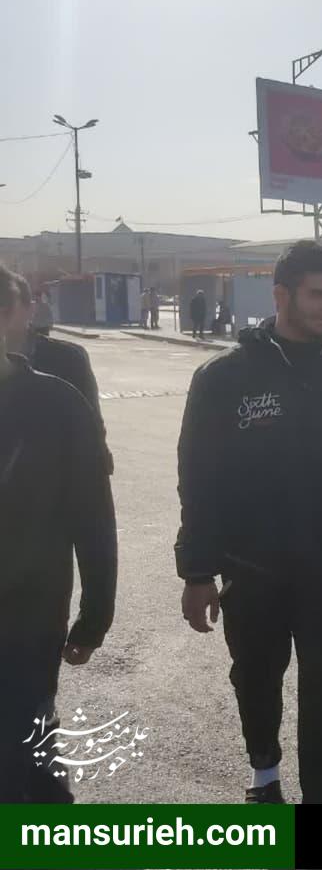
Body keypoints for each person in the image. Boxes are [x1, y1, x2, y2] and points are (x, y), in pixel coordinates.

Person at [175, 241, 322, 804]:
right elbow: (198, 478)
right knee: (256, 677)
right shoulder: (225, 377)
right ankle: (264, 772)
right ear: (281, 295)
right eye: (318, 295)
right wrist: (197, 571)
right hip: (252, 570)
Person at [1, 263, 117, 803]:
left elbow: (91, 513)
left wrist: (96, 612)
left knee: (22, 745)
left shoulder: (57, 402)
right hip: (33, 612)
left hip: (28, 614)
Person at [5, 274, 113, 474]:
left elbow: (91, 421)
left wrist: (99, 460)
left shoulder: (68, 358)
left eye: (7, 304)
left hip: (54, 473)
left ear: (30, 310)